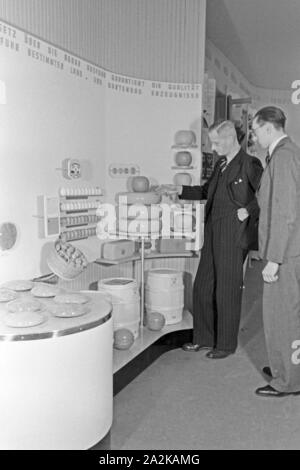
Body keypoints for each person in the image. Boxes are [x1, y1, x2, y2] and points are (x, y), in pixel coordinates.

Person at [159, 120, 263, 358]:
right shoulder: (221, 164)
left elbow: (264, 194)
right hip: (214, 230)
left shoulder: (250, 163)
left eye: (216, 142)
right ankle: (203, 338)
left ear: (230, 139)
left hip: (234, 233)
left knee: (226, 290)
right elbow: (207, 192)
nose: (214, 148)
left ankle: (226, 344)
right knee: (203, 286)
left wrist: (248, 209)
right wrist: (180, 191)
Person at [253, 106, 300, 397]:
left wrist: (274, 259)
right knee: (287, 314)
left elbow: (285, 212)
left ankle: (288, 381)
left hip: (285, 252)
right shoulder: (288, 153)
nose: (254, 135)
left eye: (256, 130)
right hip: (290, 249)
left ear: (269, 128)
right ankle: (286, 367)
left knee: (282, 316)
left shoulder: (283, 156)